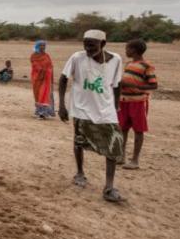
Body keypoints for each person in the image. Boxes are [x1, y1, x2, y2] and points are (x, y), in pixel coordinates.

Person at [59, 30, 125, 203]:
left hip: (106, 110)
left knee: (113, 144)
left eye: (92, 45)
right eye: (85, 44)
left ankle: (109, 187)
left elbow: (117, 84)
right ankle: (80, 173)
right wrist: (61, 105)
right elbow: (63, 79)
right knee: (79, 141)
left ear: (103, 44)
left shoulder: (116, 60)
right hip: (81, 109)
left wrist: (116, 104)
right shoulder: (77, 58)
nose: (88, 49)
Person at [118, 39, 157, 169]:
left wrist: (129, 85)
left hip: (138, 102)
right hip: (124, 101)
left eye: (127, 48)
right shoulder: (129, 64)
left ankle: (135, 160)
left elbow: (153, 85)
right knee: (122, 128)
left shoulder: (147, 65)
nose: (126, 51)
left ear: (134, 50)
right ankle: (121, 156)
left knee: (138, 130)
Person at [30, 41, 55, 119]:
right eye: (40, 45)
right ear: (37, 46)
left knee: (44, 94)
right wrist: (42, 70)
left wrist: (49, 72)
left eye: (44, 45)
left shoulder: (47, 55)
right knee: (37, 94)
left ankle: (44, 113)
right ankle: (39, 111)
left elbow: (51, 66)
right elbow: (35, 65)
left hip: (46, 79)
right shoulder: (34, 56)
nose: (42, 47)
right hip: (37, 78)